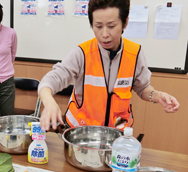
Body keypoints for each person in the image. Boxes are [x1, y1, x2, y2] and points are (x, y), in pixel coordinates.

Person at [38, 0, 180, 131]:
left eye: (111, 26)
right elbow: (50, 81)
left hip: (116, 134)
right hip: (80, 133)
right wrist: (49, 101)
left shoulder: (134, 54)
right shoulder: (82, 53)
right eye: (98, 26)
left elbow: (142, 88)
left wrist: (157, 96)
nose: (104, 34)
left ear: (125, 23)